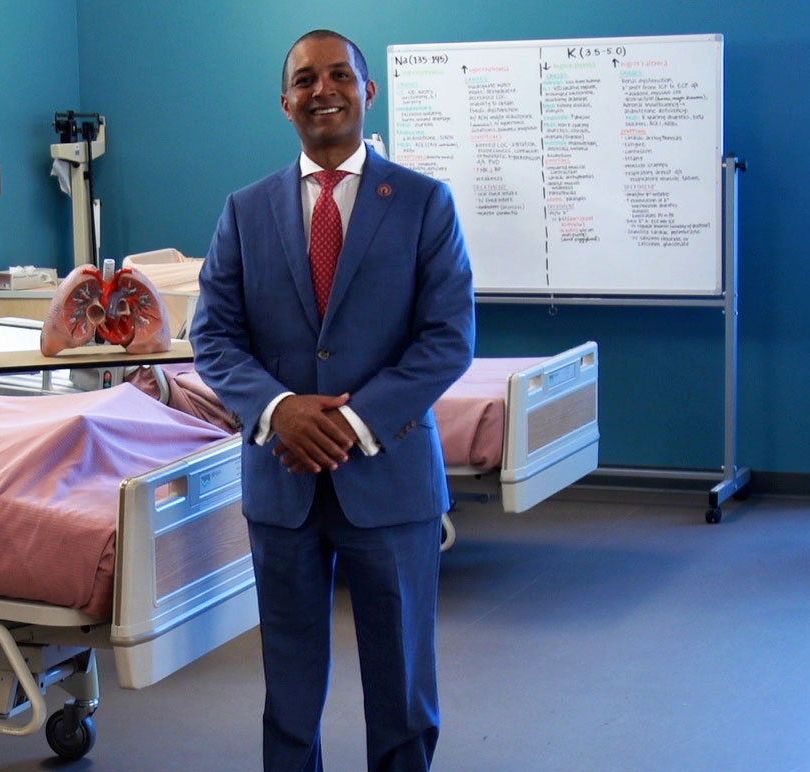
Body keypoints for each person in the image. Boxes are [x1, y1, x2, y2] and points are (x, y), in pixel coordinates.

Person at [190, 29, 475, 772]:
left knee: (402, 687)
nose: (324, 90)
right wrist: (280, 409)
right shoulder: (245, 211)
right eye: (306, 79)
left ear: (367, 92)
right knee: (287, 691)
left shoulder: (422, 203)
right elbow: (213, 337)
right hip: (281, 485)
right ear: (285, 102)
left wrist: (349, 422)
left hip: (389, 481)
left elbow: (447, 340)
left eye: (340, 75)